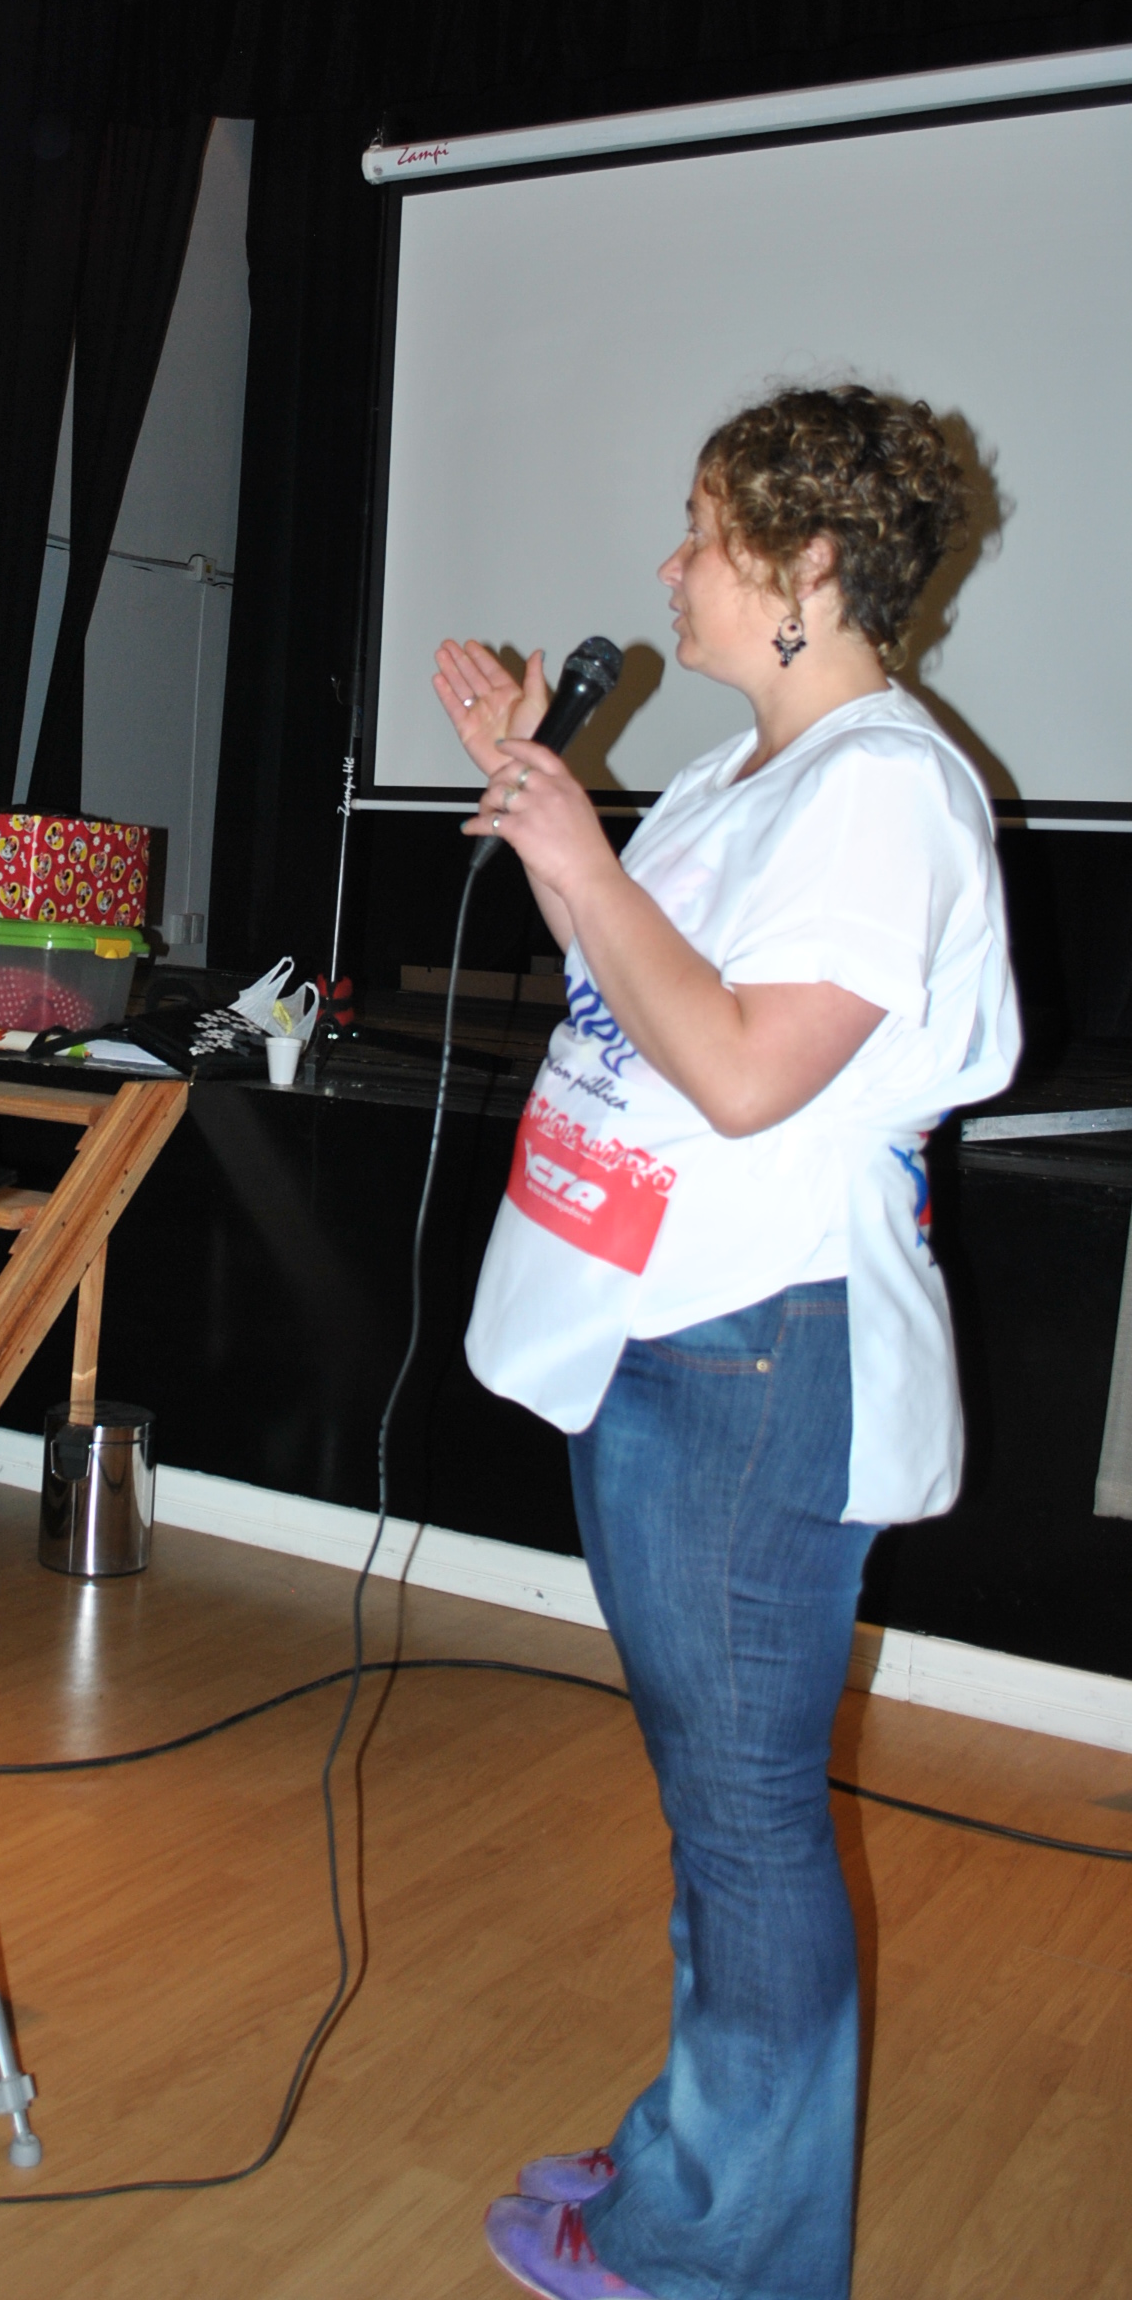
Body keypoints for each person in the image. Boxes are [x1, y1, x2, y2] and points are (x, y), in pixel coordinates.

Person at [433, 387, 1017, 2300]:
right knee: (718, 1803)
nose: (667, 566)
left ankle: (717, 2254)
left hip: (753, 1352)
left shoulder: (882, 788)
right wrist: (541, 802)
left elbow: (749, 1071)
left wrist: (581, 858)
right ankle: (704, 2154)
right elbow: (638, 989)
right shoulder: (738, 779)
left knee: (745, 1820)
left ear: (804, 564)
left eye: (701, 529)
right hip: (670, 1334)